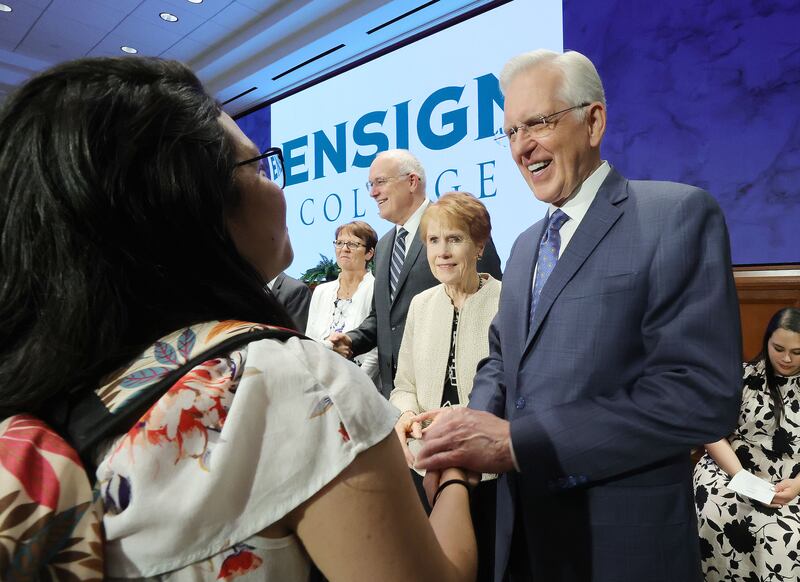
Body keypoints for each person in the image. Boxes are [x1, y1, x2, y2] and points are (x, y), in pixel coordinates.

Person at [0, 56, 477, 581]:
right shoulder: (290, 382)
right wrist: (453, 470)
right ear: (189, 202)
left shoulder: (63, 388)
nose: (276, 186)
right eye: (257, 165)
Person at [413, 48, 743, 582]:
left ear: (593, 121)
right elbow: (501, 361)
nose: (523, 146)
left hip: (621, 549)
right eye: (512, 131)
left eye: (538, 122)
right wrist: (461, 438)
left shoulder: (675, 215)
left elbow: (700, 396)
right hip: (520, 539)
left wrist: (519, 443)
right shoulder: (523, 248)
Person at [329, 149, 502, 397]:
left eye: (380, 182)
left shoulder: (463, 227)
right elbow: (384, 317)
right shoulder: (384, 246)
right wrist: (351, 341)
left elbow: (490, 307)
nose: (372, 192)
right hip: (400, 396)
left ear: (411, 181)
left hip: (463, 393)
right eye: (370, 184)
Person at [390, 191, 500, 580]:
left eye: (454, 239)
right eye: (434, 241)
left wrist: (455, 418)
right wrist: (405, 415)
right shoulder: (420, 304)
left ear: (479, 244)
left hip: (488, 474)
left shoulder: (507, 302)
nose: (442, 252)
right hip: (424, 468)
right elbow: (403, 385)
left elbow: (513, 390)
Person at [694, 307, 800, 581]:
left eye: (797, 352)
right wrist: (740, 476)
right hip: (731, 469)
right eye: (778, 348)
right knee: (715, 513)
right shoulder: (741, 376)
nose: (786, 358)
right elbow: (712, 432)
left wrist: (798, 486)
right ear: (766, 341)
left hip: (792, 481)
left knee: (785, 535)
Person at [306, 221, 380, 386]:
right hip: (319, 384)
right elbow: (309, 340)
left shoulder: (376, 288)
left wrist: (353, 386)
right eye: (339, 243)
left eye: (353, 244)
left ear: (369, 253)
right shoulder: (321, 291)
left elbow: (376, 348)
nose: (344, 248)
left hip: (360, 386)